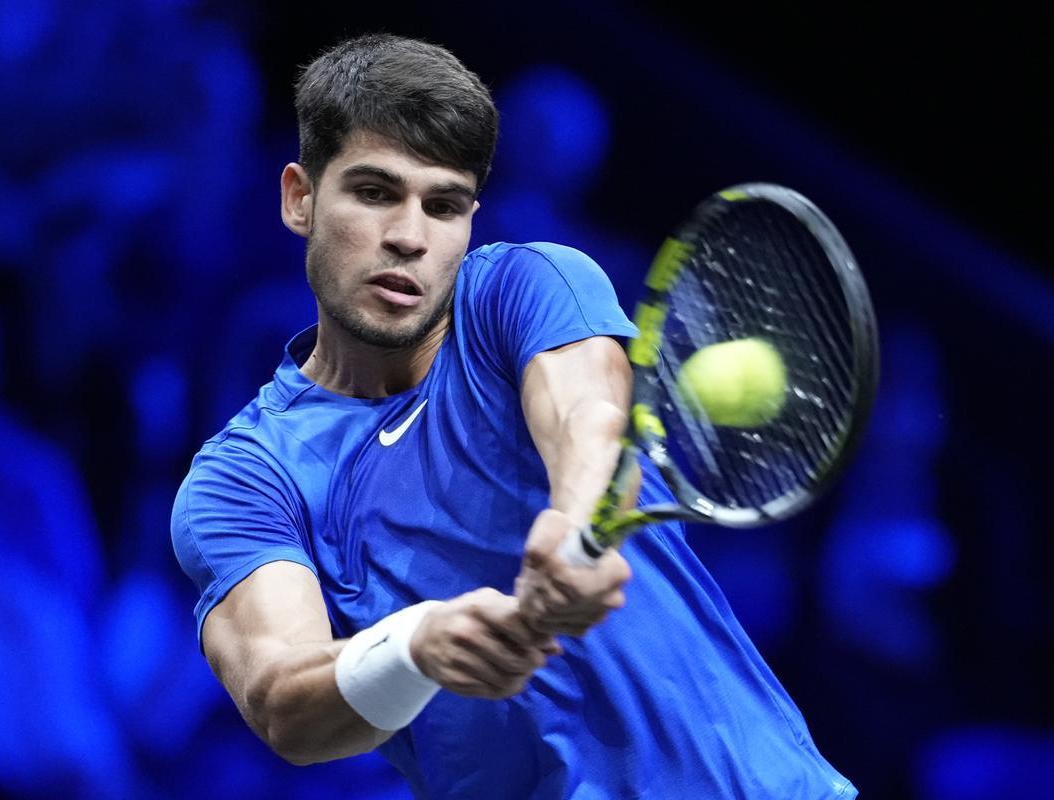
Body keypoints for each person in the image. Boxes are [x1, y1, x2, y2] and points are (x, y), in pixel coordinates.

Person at [171, 33, 857, 799]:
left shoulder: (523, 288)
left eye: (444, 205)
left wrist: (576, 520)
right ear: (300, 198)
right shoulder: (245, 481)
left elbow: (588, 417)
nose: (409, 236)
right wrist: (415, 649)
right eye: (374, 192)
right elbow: (284, 704)